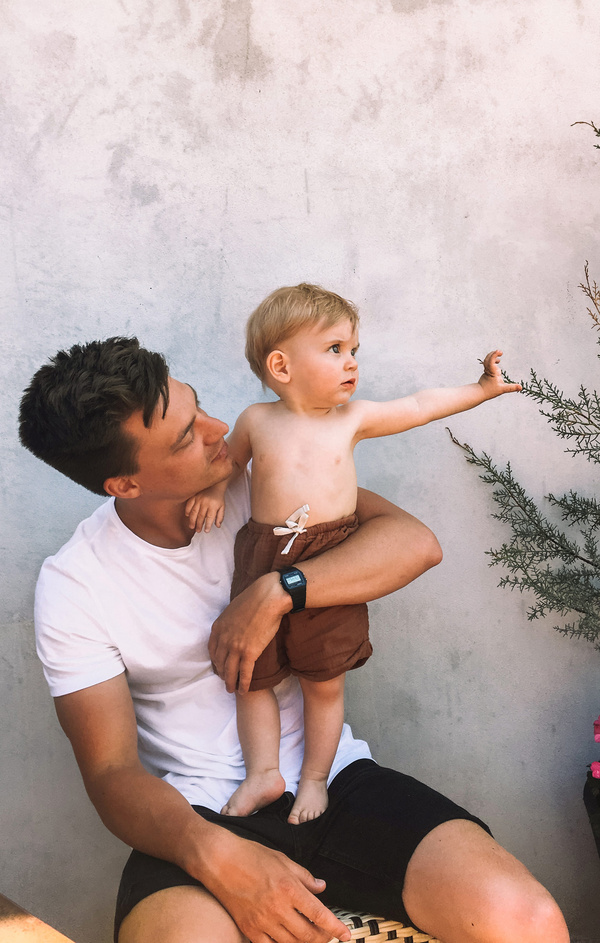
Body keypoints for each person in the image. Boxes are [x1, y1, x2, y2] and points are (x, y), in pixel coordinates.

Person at [19, 336, 569, 943]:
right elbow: (112, 773)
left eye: (197, 407)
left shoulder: (262, 482)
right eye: (185, 436)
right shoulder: (75, 583)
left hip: (330, 776)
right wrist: (215, 855)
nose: (218, 428)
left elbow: (415, 543)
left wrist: (280, 590)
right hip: (199, 815)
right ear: (123, 484)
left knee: (529, 922)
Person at [184, 283, 522, 826]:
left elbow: (418, 405)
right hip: (262, 554)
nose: (352, 363)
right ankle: (264, 775)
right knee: (253, 679)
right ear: (282, 365)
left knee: (324, 682)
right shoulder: (255, 420)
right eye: (336, 349)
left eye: (354, 351)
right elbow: (228, 466)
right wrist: (210, 492)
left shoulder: (352, 419)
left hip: (329, 560)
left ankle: (315, 778)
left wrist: (480, 389)